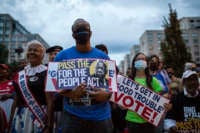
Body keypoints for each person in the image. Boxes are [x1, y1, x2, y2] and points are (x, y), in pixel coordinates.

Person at [54, 18, 113, 133]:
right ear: (73, 35)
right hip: (72, 116)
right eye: (78, 29)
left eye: (85, 29)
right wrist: (72, 94)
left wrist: (106, 95)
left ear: (90, 33)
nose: (82, 31)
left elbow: (112, 88)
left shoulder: (103, 57)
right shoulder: (61, 57)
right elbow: (55, 88)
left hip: (100, 116)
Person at [10, 40, 54, 133]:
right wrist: (10, 121)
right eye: (30, 50)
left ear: (42, 55)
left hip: (39, 116)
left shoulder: (47, 72)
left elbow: (50, 100)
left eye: (36, 50)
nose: (32, 52)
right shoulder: (20, 73)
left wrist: (49, 125)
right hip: (20, 115)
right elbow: (16, 99)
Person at [126, 52, 163, 133]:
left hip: (148, 121)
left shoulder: (153, 81)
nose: (141, 61)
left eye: (143, 59)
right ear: (134, 62)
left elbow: (158, 102)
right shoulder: (128, 80)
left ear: (147, 63)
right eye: (138, 59)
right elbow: (122, 106)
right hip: (132, 120)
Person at [46, 45, 63, 133]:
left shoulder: (67, 70)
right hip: (46, 110)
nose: (53, 56)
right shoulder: (43, 71)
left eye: (56, 54)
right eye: (51, 54)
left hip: (62, 109)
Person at [0, 64, 16, 132]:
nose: (0, 71)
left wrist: (9, 95)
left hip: (9, 113)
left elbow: (18, 95)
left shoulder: (13, 83)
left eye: (3, 69)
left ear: (7, 72)